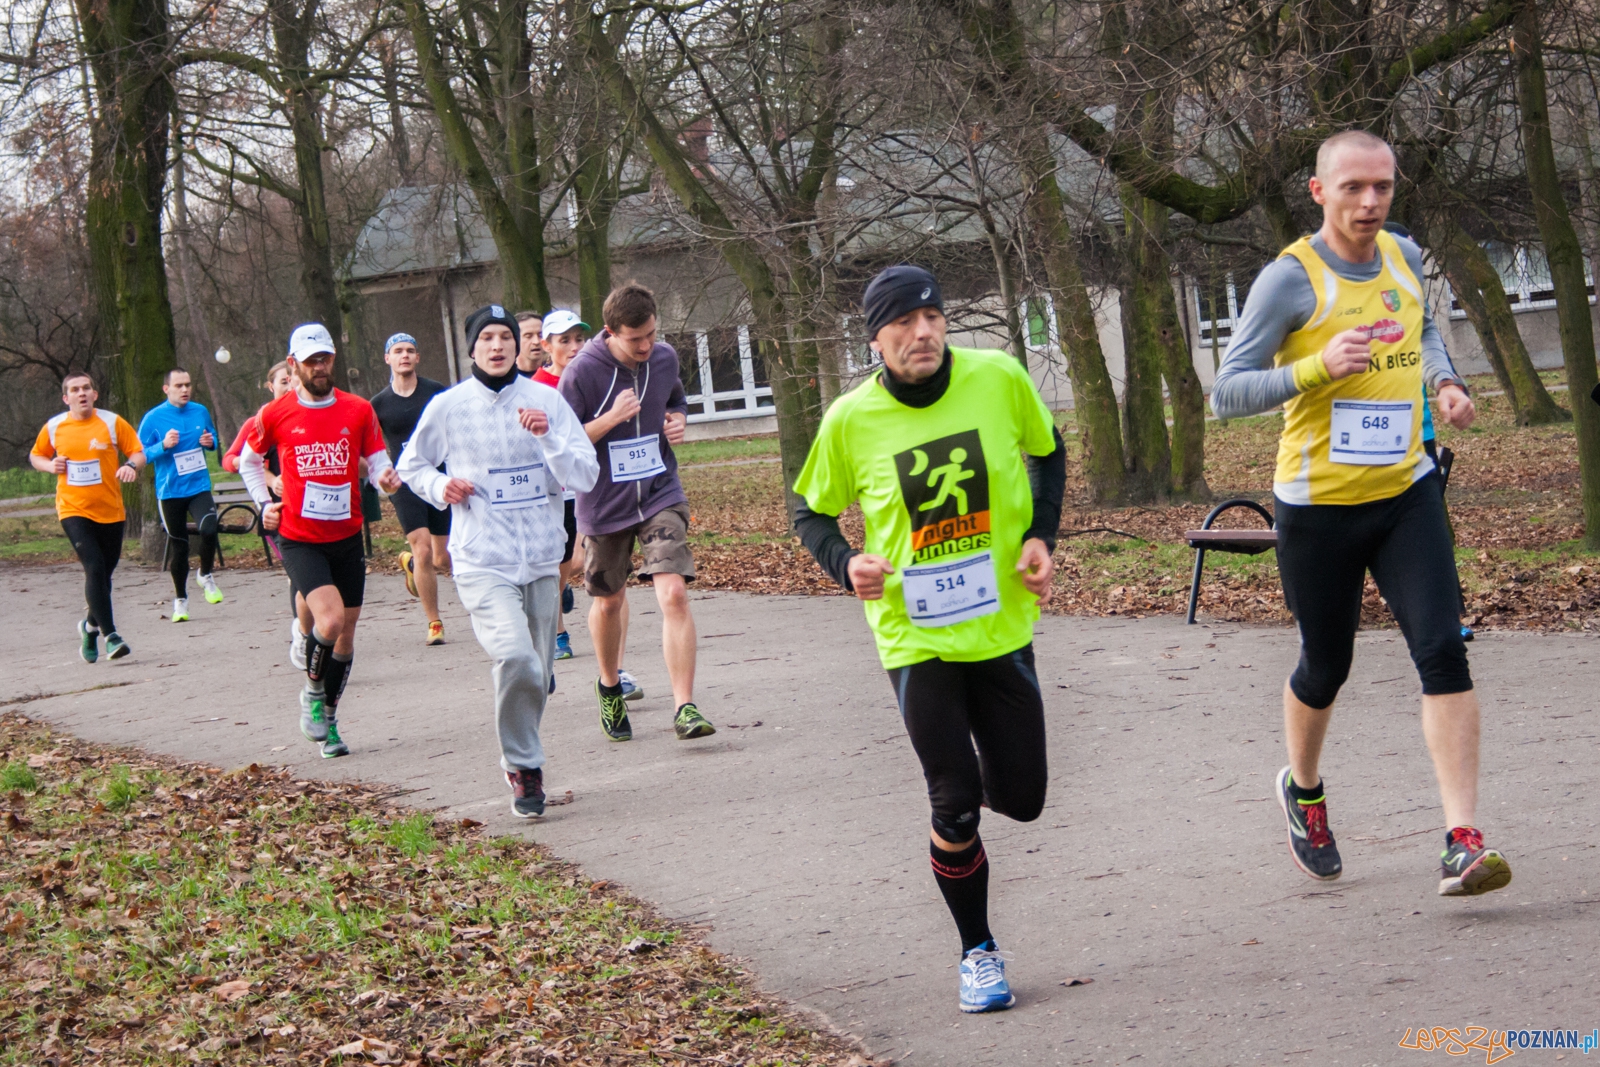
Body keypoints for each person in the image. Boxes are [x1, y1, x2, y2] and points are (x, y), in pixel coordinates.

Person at [1210, 129, 1510, 898]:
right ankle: (1303, 790)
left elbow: (1426, 327)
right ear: (1320, 192)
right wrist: (1315, 367)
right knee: (1327, 663)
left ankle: (1463, 840)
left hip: (1406, 494)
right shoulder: (1290, 280)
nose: (1371, 201)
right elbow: (1228, 391)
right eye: (1353, 188)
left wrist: (1443, 383)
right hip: (1318, 508)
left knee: (1443, 648)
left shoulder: (1404, 256)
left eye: (1382, 186)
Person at [793, 265, 1065, 1014]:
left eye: (934, 317)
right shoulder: (850, 419)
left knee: (1025, 796)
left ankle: (967, 791)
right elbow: (809, 512)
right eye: (904, 323)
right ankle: (978, 951)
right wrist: (846, 561)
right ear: (874, 339)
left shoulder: (1000, 376)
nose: (923, 333)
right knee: (953, 800)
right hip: (913, 635)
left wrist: (1040, 534)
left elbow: (1048, 451)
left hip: (1000, 622)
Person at [398, 304, 599, 817]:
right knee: (514, 657)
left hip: (539, 559)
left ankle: (522, 747)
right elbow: (411, 465)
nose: (496, 346)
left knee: (535, 670)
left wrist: (547, 436)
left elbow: (585, 473)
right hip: (481, 558)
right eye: (485, 337)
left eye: (504, 337)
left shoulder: (546, 400)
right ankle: (524, 767)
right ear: (471, 348)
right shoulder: (449, 406)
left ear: (518, 345)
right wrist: (442, 485)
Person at [558, 283, 713, 742]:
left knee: (674, 594)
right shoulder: (582, 373)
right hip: (605, 501)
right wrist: (610, 419)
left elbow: (676, 399)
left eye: (651, 334)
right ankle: (609, 686)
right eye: (635, 338)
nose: (646, 346)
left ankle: (684, 706)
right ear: (610, 332)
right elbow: (561, 445)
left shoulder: (663, 357)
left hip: (660, 491)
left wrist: (679, 418)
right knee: (608, 601)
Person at [239, 323, 401, 758]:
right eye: (310, 361)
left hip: (347, 533)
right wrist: (263, 504)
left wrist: (386, 479)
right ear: (293, 366)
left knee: (345, 637)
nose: (320, 367)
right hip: (298, 536)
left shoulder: (358, 409)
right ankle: (312, 693)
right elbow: (248, 462)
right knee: (327, 623)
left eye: (325, 359)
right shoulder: (275, 414)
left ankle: (328, 718)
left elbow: (378, 461)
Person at [531, 308, 640, 694]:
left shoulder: (596, 377)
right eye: (564, 340)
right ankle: (550, 640)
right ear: (545, 346)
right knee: (561, 570)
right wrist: (611, 418)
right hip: (552, 497)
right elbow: (562, 444)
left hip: (596, 492)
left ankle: (618, 670)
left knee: (613, 583)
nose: (575, 347)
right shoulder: (536, 390)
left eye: (580, 338)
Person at [30, 372, 147, 662]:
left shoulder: (111, 422)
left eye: (86, 388)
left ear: (95, 394)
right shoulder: (55, 427)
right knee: (94, 567)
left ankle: (89, 626)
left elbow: (138, 451)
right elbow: (36, 456)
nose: (81, 393)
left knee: (104, 576)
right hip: (73, 510)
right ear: (65, 398)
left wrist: (131, 465)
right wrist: (50, 465)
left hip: (111, 511)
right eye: (74, 390)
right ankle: (112, 636)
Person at [225, 361, 312, 667]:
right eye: (284, 382)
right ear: (271, 386)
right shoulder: (260, 421)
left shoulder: (309, 414)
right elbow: (231, 460)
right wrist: (268, 477)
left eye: (293, 380)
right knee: (297, 574)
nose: (290, 386)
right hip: (277, 511)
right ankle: (303, 632)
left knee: (308, 577)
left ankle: (309, 629)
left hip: (311, 509)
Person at [370, 333, 452, 645]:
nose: (404, 355)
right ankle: (434, 622)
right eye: (398, 351)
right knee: (423, 549)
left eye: (410, 351)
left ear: (418, 358)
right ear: (387, 358)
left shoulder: (436, 393)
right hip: (404, 482)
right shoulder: (378, 404)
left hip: (437, 477)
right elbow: (371, 448)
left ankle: (410, 565)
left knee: (442, 559)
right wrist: (380, 475)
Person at [138, 368, 224, 622]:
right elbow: (139, 454)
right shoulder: (153, 418)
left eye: (187, 384)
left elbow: (213, 437)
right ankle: (181, 600)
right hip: (170, 491)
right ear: (167, 389)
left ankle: (205, 574)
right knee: (180, 547)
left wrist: (211, 442)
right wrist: (163, 445)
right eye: (179, 386)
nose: (185, 389)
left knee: (209, 529)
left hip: (198, 486)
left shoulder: (200, 411)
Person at [515, 311, 544, 376]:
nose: (536, 341)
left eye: (540, 335)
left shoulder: (557, 375)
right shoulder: (506, 378)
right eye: (528, 336)